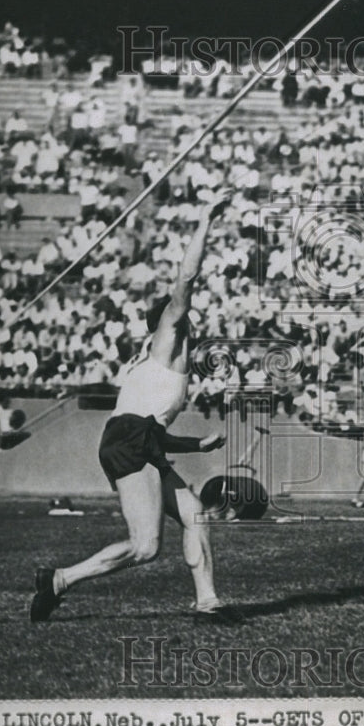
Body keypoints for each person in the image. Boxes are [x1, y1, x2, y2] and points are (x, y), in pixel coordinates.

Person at [31, 198, 242, 624]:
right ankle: (59, 580)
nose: (189, 324)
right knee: (145, 546)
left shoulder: (154, 366)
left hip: (137, 438)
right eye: (180, 318)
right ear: (166, 322)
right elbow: (186, 277)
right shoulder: (167, 341)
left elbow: (152, 431)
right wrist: (205, 220)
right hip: (129, 440)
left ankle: (208, 601)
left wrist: (198, 444)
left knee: (194, 512)